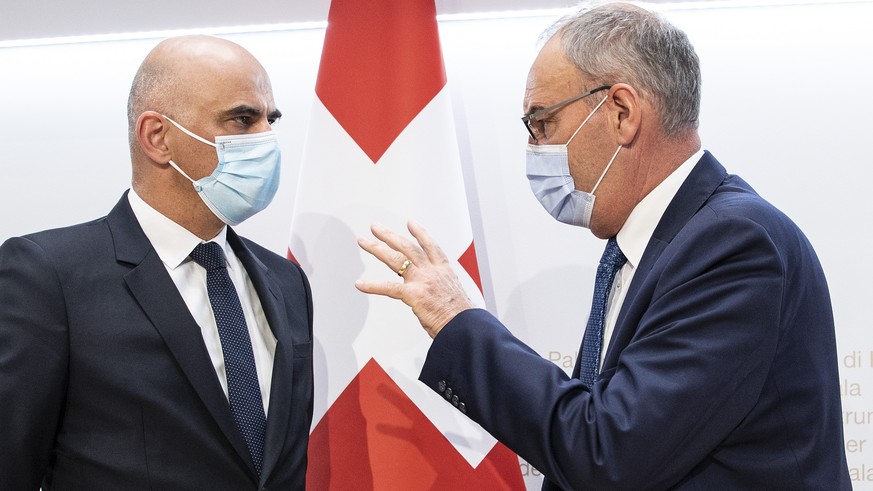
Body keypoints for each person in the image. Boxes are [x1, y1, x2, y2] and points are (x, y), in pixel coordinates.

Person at [356, 3, 850, 490]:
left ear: (621, 112)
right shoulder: (649, 245)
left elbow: (611, 453)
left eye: (542, 122)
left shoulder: (732, 243)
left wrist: (457, 319)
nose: (533, 147)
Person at [0, 35, 313, 489]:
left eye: (271, 119)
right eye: (243, 120)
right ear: (157, 137)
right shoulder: (49, 277)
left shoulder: (286, 282)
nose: (267, 137)